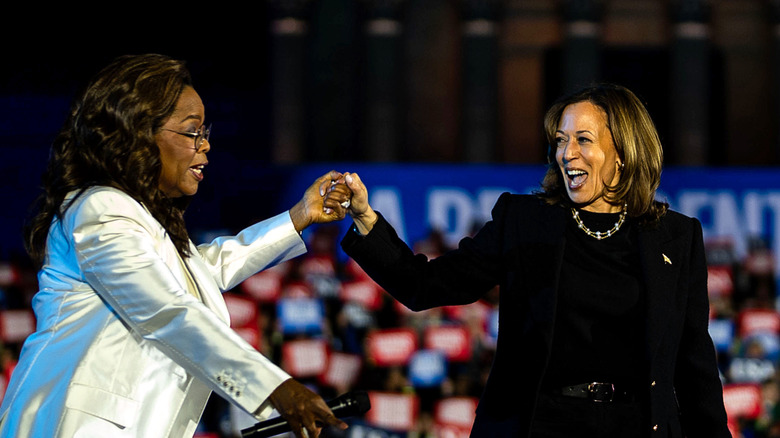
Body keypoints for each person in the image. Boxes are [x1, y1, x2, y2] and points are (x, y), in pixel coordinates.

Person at [337, 84, 731, 437]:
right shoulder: (524, 221)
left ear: (623, 152)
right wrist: (366, 219)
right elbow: (423, 285)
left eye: (582, 139)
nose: (566, 153)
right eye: (560, 140)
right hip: (539, 424)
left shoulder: (677, 237)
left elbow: (693, 361)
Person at [1, 54, 352, 438]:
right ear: (138, 134)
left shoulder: (141, 216)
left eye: (206, 132)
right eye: (192, 132)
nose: (206, 146)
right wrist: (272, 386)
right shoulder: (100, 209)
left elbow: (201, 273)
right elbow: (165, 308)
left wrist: (298, 216)